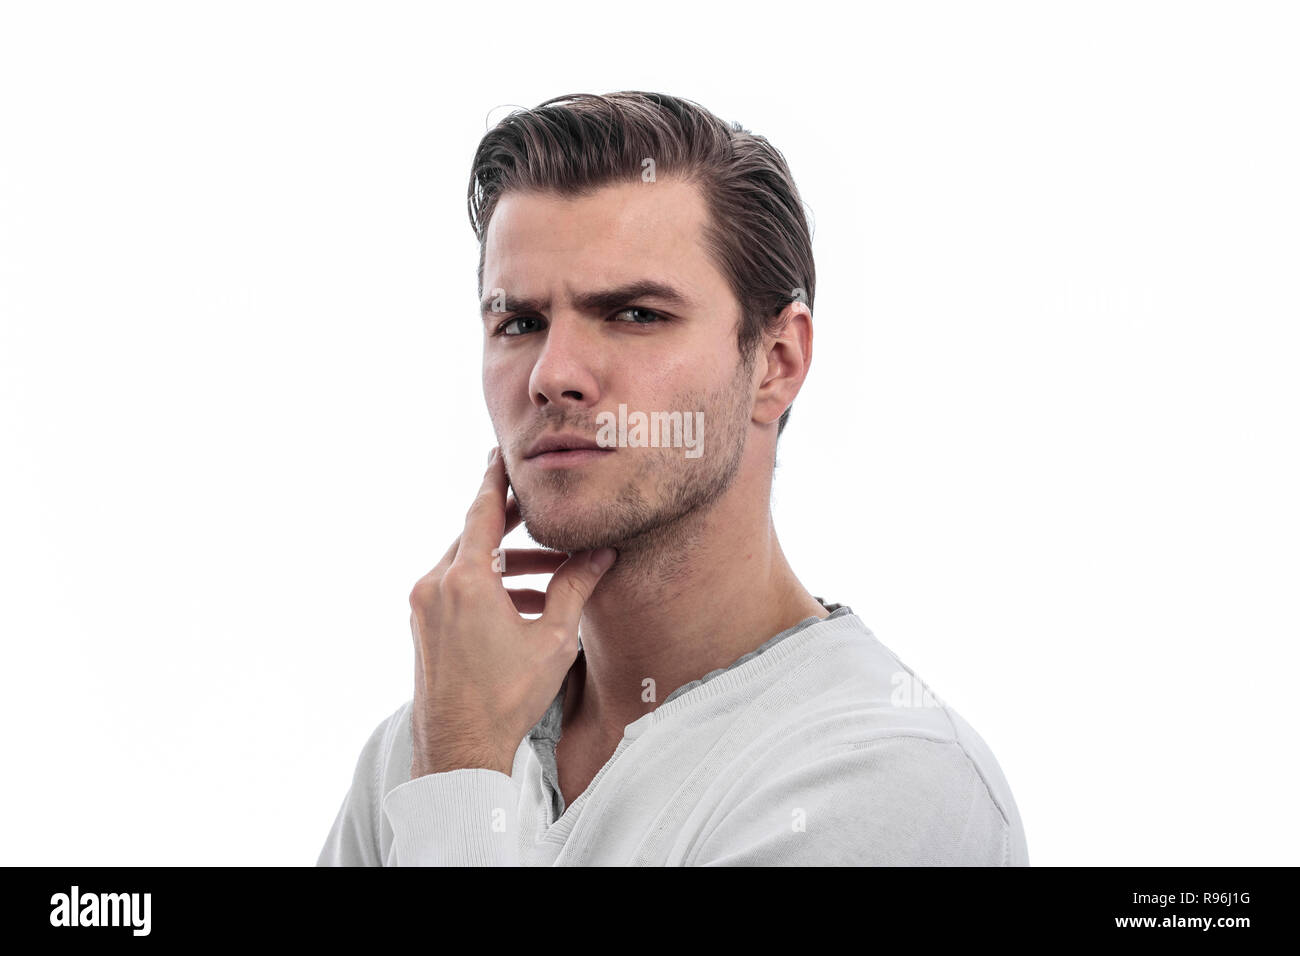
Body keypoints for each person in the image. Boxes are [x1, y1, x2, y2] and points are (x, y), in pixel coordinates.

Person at [317, 91, 1029, 866]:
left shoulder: (888, 780)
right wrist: (458, 755)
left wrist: (459, 783)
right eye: (519, 323)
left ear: (777, 363)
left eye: (634, 315)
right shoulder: (422, 746)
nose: (553, 376)